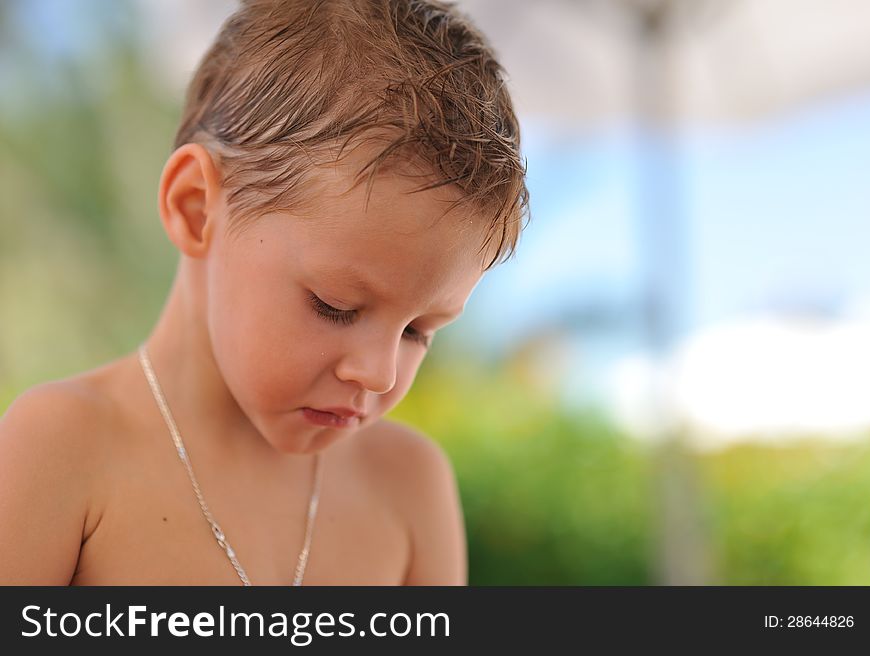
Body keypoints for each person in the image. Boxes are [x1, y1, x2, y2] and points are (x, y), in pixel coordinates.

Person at [0, 0, 528, 585]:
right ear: (197, 208)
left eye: (417, 332)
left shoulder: (409, 488)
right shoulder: (61, 451)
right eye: (335, 305)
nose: (379, 375)